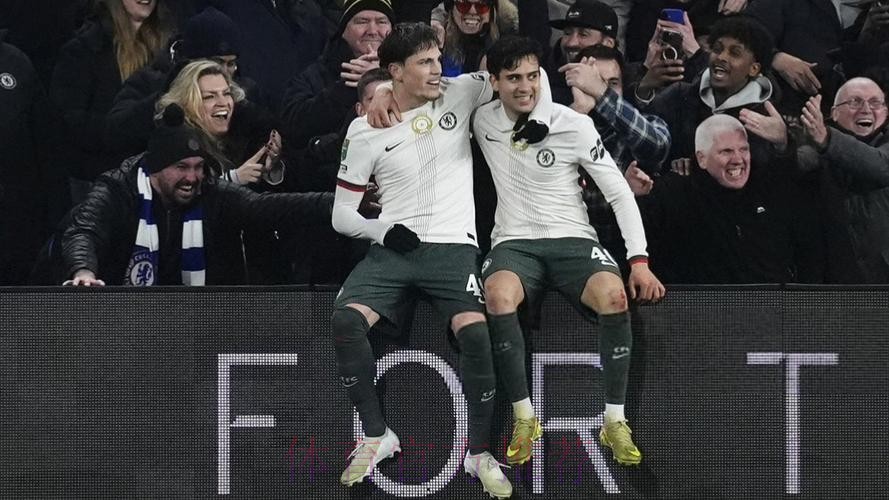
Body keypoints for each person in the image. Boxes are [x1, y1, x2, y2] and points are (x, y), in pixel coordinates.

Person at [330, 22, 549, 498]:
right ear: (396, 71)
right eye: (425, 63)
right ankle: (377, 435)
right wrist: (381, 229)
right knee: (345, 321)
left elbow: (526, 73)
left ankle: (479, 453)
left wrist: (542, 112)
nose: (437, 70)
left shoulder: (461, 91)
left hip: (453, 247)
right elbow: (341, 215)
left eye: (437, 59)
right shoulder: (364, 130)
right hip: (393, 248)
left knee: (477, 334)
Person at [473, 35, 665, 468]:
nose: (525, 86)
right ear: (495, 82)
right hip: (514, 242)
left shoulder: (572, 124)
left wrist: (638, 259)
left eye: (532, 76)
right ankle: (525, 417)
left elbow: (619, 192)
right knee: (498, 296)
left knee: (614, 296)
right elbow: (441, 92)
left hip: (575, 239)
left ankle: (614, 421)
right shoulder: (482, 118)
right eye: (513, 78)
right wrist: (387, 92)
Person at [57, 104, 333, 286]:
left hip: (189, 319)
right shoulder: (118, 188)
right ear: (155, 169)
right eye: (181, 167)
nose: (192, 177)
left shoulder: (209, 190)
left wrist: (336, 203)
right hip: (117, 314)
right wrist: (83, 271)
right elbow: (84, 230)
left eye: (198, 167)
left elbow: (264, 207)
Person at [630, 114, 824, 283]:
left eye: (743, 149)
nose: (738, 159)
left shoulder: (764, 188)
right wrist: (633, 198)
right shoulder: (674, 194)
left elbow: (794, 200)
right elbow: (637, 240)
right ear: (702, 158)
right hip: (695, 310)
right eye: (726, 151)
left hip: (770, 309)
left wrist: (783, 144)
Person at [559, 43, 671, 271]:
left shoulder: (645, 122)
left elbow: (657, 146)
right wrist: (578, 113)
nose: (600, 88)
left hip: (629, 255)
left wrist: (601, 93)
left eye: (612, 84)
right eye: (593, 81)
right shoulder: (554, 126)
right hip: (568, 254)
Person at [50, 0, 174, 202]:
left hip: (156, 178)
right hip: (97, 182)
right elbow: (69, 122)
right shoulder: (83, 50)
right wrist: (120, 128)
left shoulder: (170, 47)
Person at [796, 77, 889, 282]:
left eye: (875, 102)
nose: (866, 109)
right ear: (834, 113)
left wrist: (827, 139)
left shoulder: (826, 139)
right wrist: (782, 143)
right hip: (832, 282)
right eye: (855, 102)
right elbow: (802, 161)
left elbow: (881, 167)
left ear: (886, 111)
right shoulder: (814, 143)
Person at [279, 0, 394, 151]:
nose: (372, 30)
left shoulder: (411, 68)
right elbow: (292, 127)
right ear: (343, 31)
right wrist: (347, 87)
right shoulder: (314, 74)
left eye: (381, 22)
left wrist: (383, 78)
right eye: (362, 21)